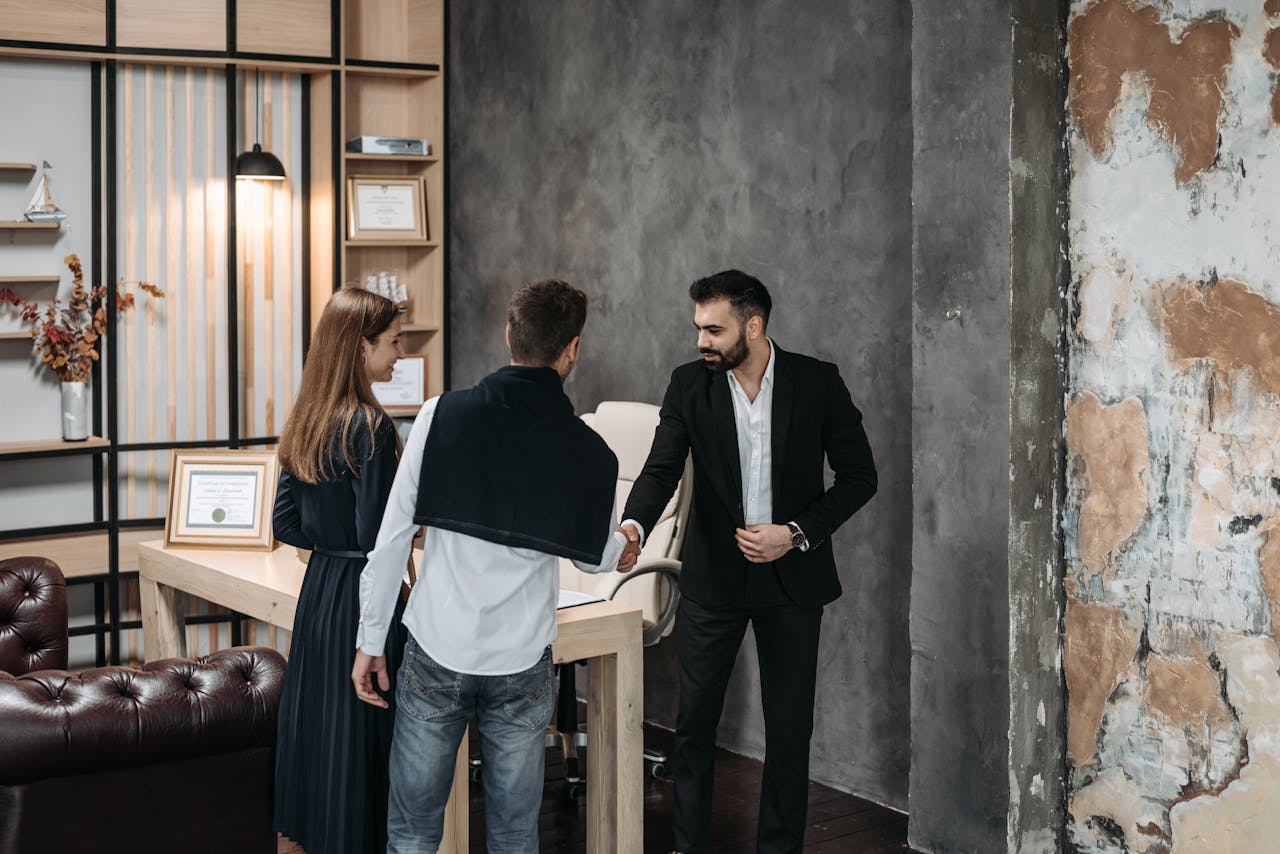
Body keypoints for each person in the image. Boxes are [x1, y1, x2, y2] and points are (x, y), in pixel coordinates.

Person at [353, 279, 639, 854]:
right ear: (572, 349)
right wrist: (625, 540)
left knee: (411, 830)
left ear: (509, 336)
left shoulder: (440, 415)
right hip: (520, 662)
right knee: (513, 835)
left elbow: (391, 540)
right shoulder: (591, 452)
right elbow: (597, 553)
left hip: (437, 647)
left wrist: (370, 640)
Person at [619, 269, 878, 854]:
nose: (701, 341)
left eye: (714, 329)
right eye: (698, 329)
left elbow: (861, 477)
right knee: (694, 731)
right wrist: (633, 525)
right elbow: (661, 469)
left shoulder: (817, 382)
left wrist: (796, 533)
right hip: (715, 581)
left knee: (789, 735)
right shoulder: (688, 385)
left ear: (754, 326)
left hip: (794, 582)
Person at [271, 286, 408, 854]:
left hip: (321, 588)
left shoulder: (307, 417)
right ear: (361, 347)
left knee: (323, 733)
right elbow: (381, 535)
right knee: (364, 738)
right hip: (364, 595)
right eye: (394, 342)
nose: (400, 354)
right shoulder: (371, 427)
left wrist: (330, 543)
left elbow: (284, 522)